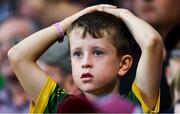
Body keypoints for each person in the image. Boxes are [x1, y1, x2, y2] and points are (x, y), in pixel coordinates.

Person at [8, 4, 163, 113]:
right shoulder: (58, 105)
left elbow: (152, 42)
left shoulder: (135, 104)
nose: (85, 63)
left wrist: (122, 14)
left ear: (123, 64)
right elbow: (17, 55)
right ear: (71, 62)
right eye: (77, 54)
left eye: (97, 52)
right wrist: (68, 22)